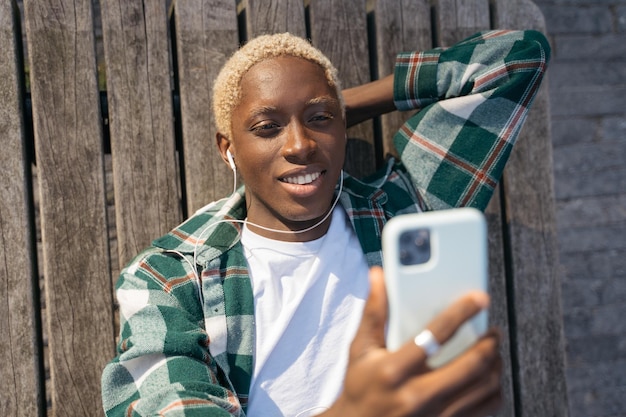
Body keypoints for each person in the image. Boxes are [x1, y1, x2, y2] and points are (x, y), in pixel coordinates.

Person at [101, 29, 550, 417]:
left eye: (319, 120)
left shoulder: (404, 208)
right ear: (228, 149)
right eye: (266, 127)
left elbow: (516, 58)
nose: (300, 144)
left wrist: (339, 104)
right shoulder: (168, 277)